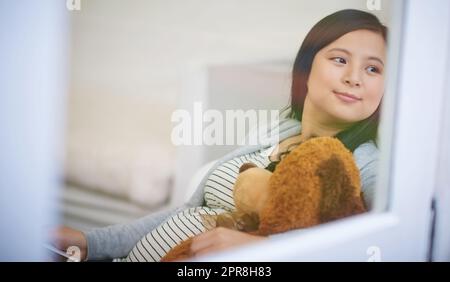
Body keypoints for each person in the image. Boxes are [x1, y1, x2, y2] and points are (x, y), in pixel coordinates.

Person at [51, 9, 387, 261]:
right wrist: (91, 243)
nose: (355, 78)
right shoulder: (279, 131)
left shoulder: (366, 163)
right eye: (340, 59)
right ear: (306, 71)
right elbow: (188, 212)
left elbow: (379, 246)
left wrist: (264, 249)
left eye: (373, 68)